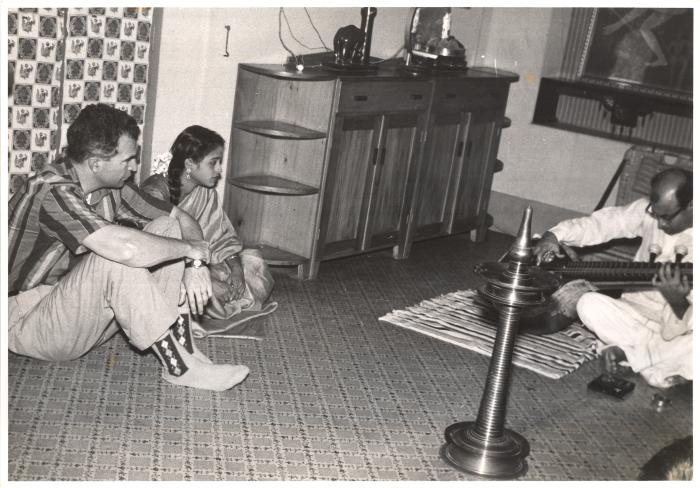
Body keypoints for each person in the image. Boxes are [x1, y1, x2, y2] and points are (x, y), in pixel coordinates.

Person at [8, 104, 249, 391]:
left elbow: (181, 219)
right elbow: (125, 249)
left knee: (166, 229)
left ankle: (186, 350)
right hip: (24, 319)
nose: (135, 167)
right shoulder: (52, 191)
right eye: (128, 160)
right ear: (97, 164)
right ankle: (178, 367)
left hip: (76, 314)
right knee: (117, 256)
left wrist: (194, 263)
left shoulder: (111, 186)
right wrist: (190, 252)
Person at [533, 168, 692, 389]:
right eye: (655, 214)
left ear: (692, 205)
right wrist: (555, 235)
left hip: (680, 327)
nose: (660, 225)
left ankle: (634, 355)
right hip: (632, 316)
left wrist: (678, 302)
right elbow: (606, 223)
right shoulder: (650, 213)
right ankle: (656, 361)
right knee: (588, 304)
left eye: (666, 217)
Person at [140, 126, 274, 329]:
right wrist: (208, 282)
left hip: (200, 261)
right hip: (164, 270)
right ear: (189, 164)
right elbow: (155, 250)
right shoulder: (155, 191)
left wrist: (236, 270)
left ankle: (211, 298)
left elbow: (220, 238)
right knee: (204, 290)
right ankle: (201, 299)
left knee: (253, 262)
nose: (219, 169)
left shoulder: (205, 192)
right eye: (213, 163)